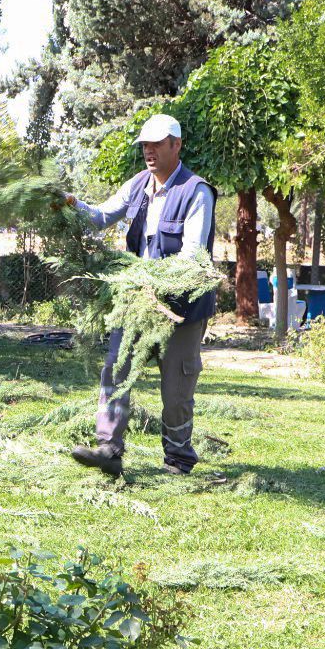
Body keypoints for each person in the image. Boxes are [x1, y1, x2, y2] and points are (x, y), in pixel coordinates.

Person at [65, 113, 220, 479]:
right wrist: (69, 204)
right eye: (144, 145)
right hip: (137, 304)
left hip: (181, 309)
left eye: (156, 144)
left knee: (176, 387)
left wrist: (156, 282)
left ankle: (179, 458)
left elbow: (192, 254)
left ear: (176, 145)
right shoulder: (137, 185)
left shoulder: (196, 191)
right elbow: (102, 216)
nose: (148, 151)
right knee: (116, 370)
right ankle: (109, 449)